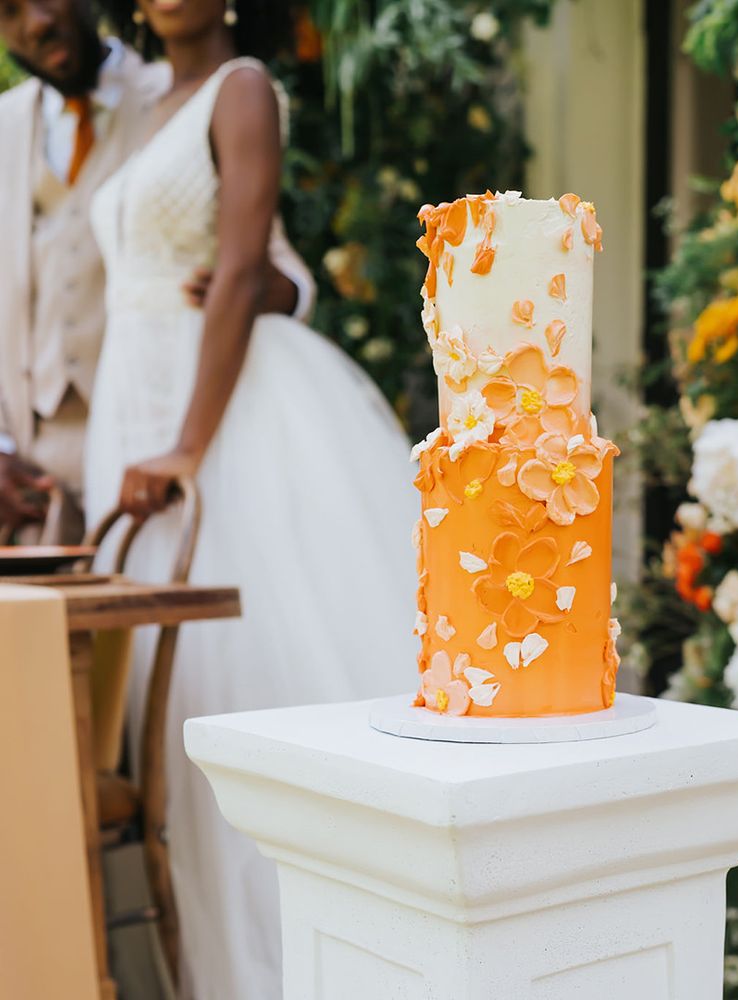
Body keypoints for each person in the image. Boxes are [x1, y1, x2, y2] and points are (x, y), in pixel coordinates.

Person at [88, 1, 417, 997]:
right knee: (164, 691)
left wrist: (189, 444)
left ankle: (294, 962)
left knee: (252, 671)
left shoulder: (243, 89)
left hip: (217, 409)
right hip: (131, 393)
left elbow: (244, 267)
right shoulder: (151, 106)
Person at [0, 0, 315, 542]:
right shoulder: (4, 125)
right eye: (7, 10)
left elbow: (272, 267)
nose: (36, 21)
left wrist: (264, 291)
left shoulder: (187, 88)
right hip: (32, 465)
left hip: (159, 423)